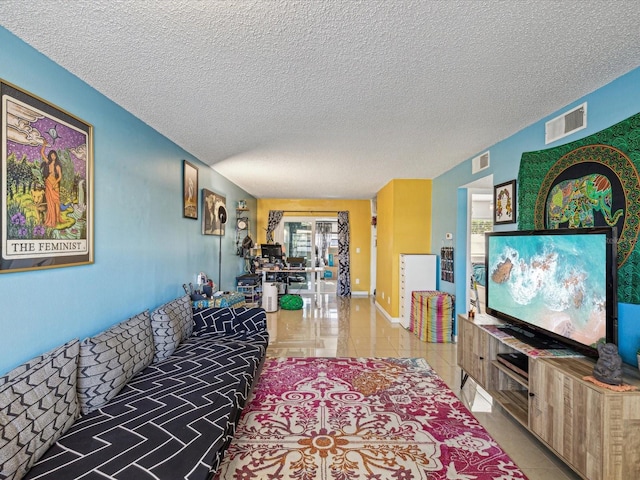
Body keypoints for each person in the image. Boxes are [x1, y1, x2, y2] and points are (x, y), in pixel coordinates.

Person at [40, 140, 62, 228]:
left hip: (54, 185)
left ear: (56, 156)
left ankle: (56, 219)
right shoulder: (47, 162)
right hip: (48, 183)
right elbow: (42, 153)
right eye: (52, 155)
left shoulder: (57, 166)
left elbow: (60, 177)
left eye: (54, 155)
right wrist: (44, 145)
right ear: (50, 156)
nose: (53, 156)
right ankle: (50, 220)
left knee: (56, 202)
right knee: (50, 203)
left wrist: (55, 184)